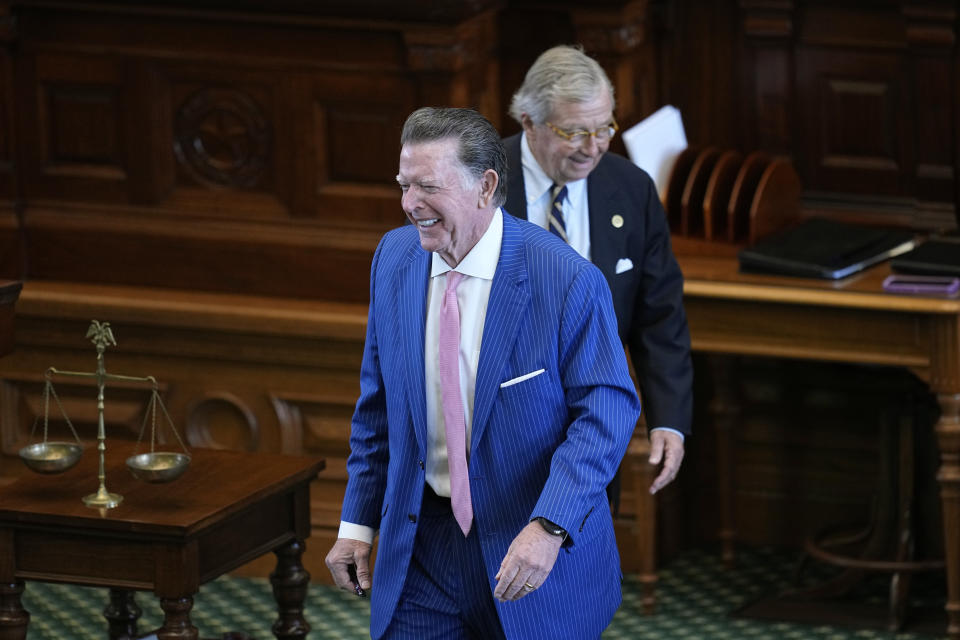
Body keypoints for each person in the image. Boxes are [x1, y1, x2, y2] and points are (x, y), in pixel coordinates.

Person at [325, 106, 641, 639]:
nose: (409, 205)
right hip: (422, 546)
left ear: (485, 186)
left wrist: (549, 525)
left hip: (530, 549)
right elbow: (378, 410)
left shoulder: (566, 280)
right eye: (403, 185)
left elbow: (605, 417)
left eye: (428, 186)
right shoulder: (394, 258)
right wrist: (357, 525)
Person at [503, 45, 693, 498]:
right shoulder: (479, 181)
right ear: (528, 121)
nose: (594, 148)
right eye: (573, 132)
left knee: (585, 560)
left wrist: (667, 419)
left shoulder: (629, 188)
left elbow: (658, 313)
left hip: (592, 427)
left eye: (604, 127)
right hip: (495, 427)